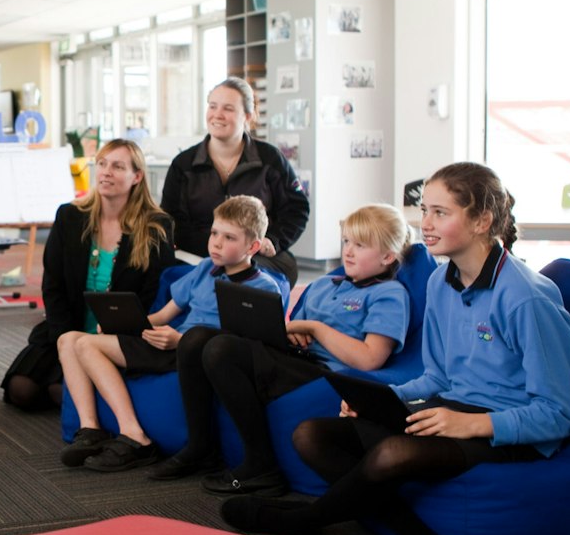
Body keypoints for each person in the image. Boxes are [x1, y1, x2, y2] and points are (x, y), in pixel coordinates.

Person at [221, 163, 570, 535]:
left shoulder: (526, 297)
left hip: (505, 429)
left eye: (440, 213)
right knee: (311, 435)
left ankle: (308, 519)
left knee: (392, 452)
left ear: (482, 221)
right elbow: (437, 376)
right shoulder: (440, 282)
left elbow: (560, 415)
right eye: (424, 210)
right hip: (454, 411)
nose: (425, 225)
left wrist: (472, 424)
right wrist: (384, 398)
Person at [147, 203, 412, 496]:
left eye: (360, 245)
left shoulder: (388, 294)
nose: (348, 251)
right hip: (292, 358)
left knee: (220, 348)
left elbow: (370, 358)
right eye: (347, 241)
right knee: (196, 338)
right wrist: (294, 332)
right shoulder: (325, 284)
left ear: (387, 256)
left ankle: (262, 466)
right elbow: (292, 329)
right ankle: (199, 447)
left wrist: (314, 329)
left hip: (326, 374)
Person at [60, 195, 282, 473]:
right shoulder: (205, 269)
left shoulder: (264, 287)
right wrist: (126, 323)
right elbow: (164, 315)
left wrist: (181, 340)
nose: (216, 242)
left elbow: (245, 342)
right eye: (214, 233)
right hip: (171, 341)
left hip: (191, 351)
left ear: (253, 246)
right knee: (68, 339)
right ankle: (89, 429)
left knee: (85, 346)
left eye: (229, 237)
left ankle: (134, 435)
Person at [1, 139, 174, 412]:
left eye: (118, 166)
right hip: (67, 327)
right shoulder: (70, 216)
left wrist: (118, 335)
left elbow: (154, 293)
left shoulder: (156, 227)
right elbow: (53, 286)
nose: (105, 172)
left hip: (118, 336)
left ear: (137, 177)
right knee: (21, 390)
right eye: (102, 164)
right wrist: (64, 339)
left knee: (62, 392)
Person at [161, 78, 310, 286]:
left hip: (254, 255)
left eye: (228, 108)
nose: (217, 114)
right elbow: (170, 219)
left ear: (247, 116)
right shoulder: (184, 164)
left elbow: (297, 209)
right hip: (198, 255)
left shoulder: (270, 159)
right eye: (212, 106)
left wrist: (273, 240)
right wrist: (217, 247)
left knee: (256, 273)